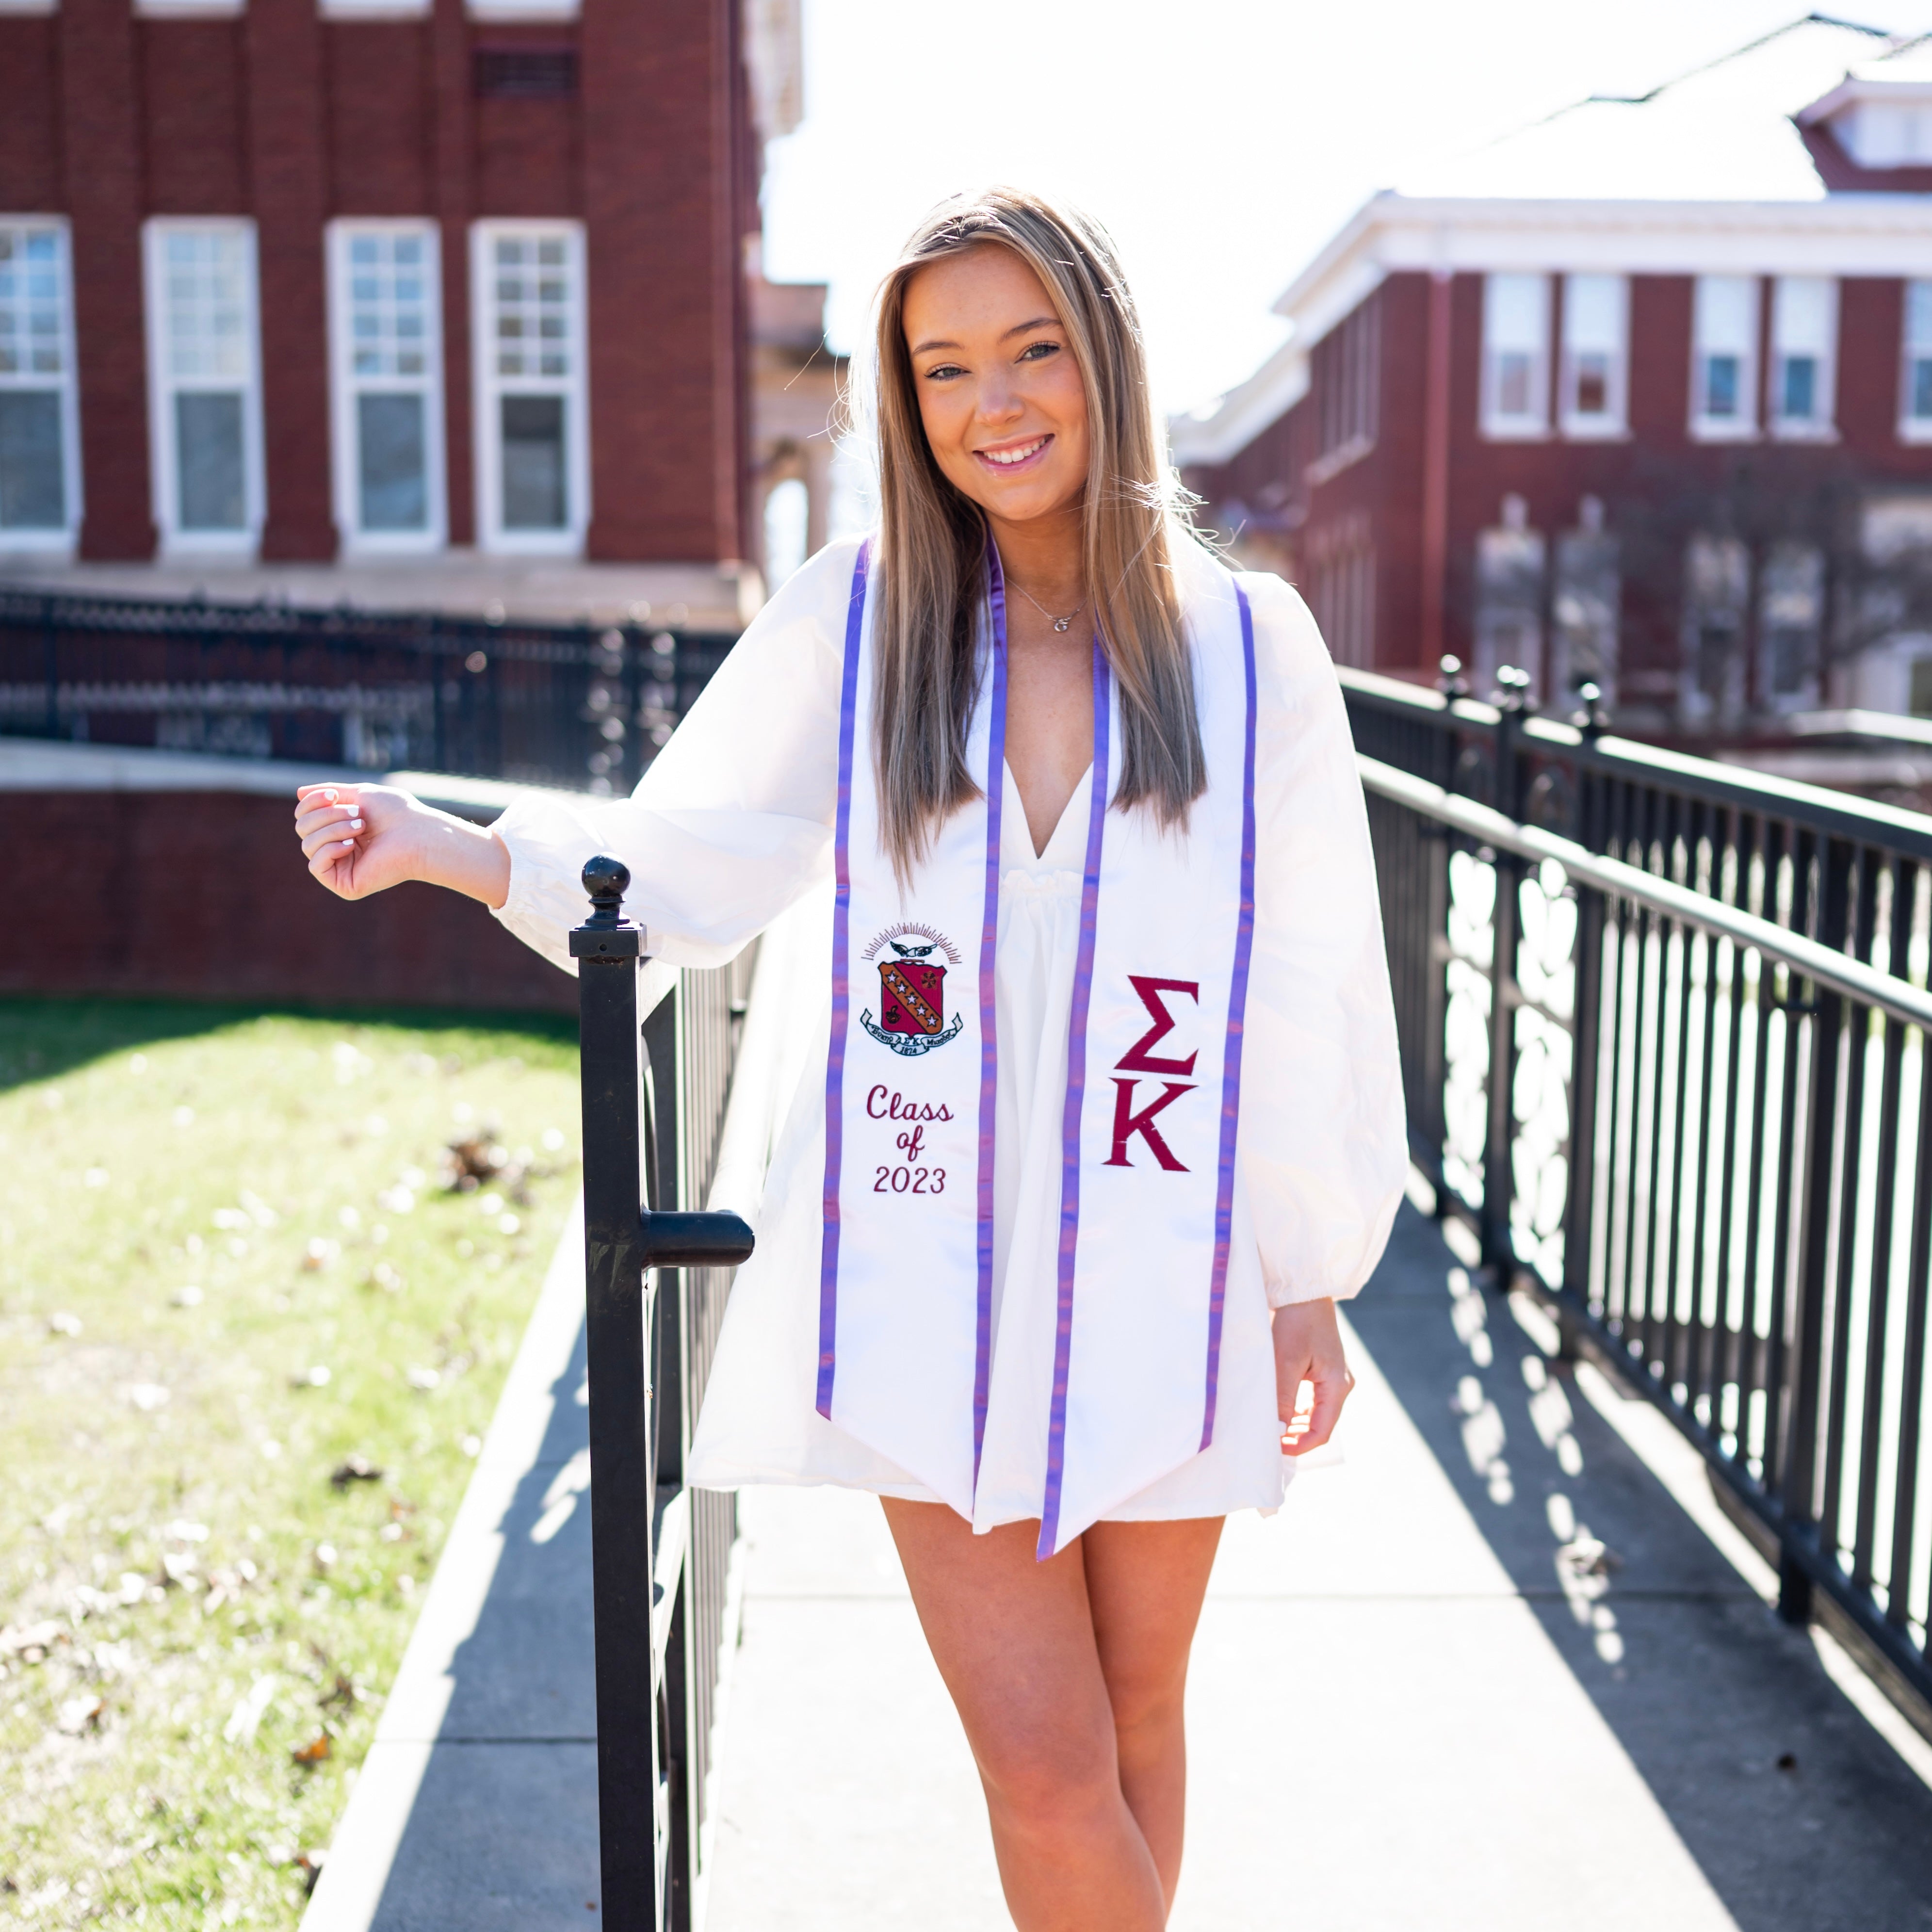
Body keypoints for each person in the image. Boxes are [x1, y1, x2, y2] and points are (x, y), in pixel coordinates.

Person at [292, 186, 1406, 1932]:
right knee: (1043, 1770)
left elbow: (1316, 976)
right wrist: (453, 844)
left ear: (1107, 356)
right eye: (944, 366)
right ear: (906, 398)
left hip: (1162, 1258)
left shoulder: (1250, 648)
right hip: (925, 1266)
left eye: (1034, 348)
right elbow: (688, 858)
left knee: (1134, 1723)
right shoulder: (866, 617)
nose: (996, 403)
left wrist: (1308, 1272)